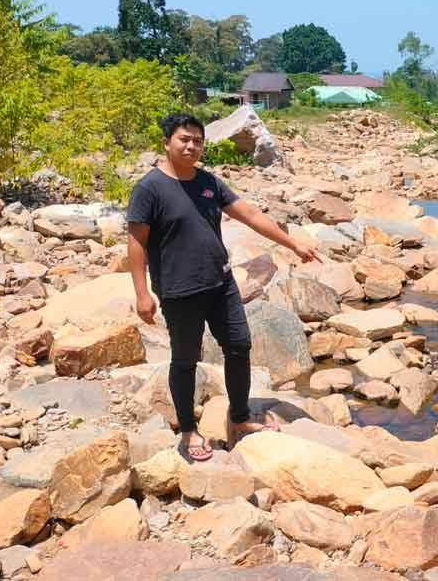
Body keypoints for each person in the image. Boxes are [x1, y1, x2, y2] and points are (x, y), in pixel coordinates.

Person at [126, 113, 320, 461]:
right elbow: (136, 242)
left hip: (221, 283)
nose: (191, 146)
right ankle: (188, 430)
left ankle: (240, 418)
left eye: (197, 141)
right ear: (167, 143)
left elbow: (251, 215)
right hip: (179, 291)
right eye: (184, 139)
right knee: (185, 360)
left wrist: (293, 244)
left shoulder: (209, 183)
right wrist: (143, 293)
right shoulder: (149, 188)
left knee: (239, 345)